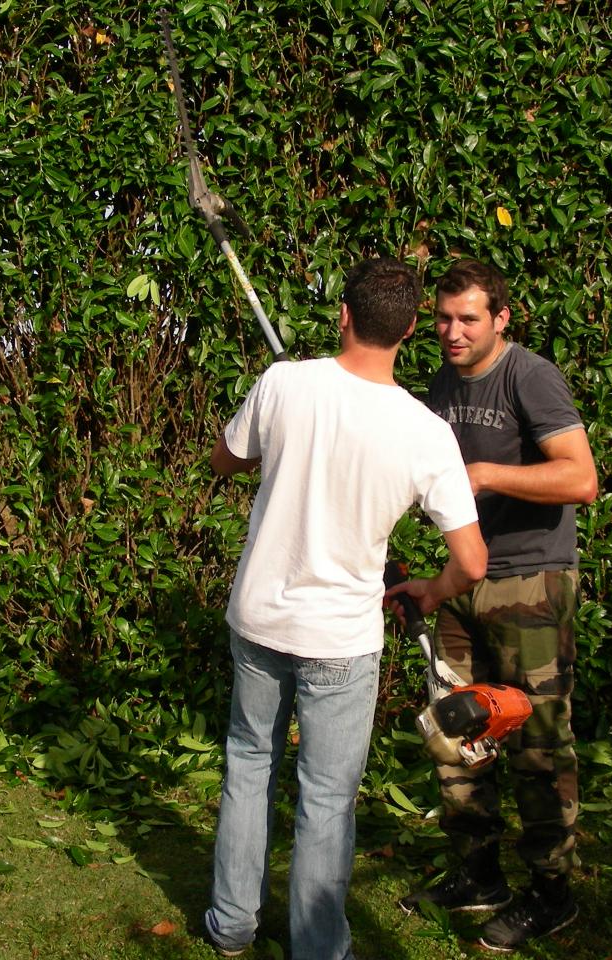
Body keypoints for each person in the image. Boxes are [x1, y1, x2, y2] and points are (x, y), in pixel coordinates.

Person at [202, 257, 488, 960]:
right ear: (413, 329)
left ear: (344, 315)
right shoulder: (425, 432)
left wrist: (269, 443)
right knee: (326, 798)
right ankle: (318, 948)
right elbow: (473, 561)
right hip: (340, 639)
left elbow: (223, 459)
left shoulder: (283, 383)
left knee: (248, 762)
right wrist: (432, 591)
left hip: (261, 620)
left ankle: (232, 926)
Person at [396, 258, 598, 953]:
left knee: (537, 742)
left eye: (468, 319)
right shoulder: (443, 381)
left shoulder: (529, 376)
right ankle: (477, 872)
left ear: (500, 319)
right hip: (461, 580)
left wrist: (482, 474)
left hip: (530, 583)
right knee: (455, 731)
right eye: (444, 318)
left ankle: (551, 892)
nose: (451, 332)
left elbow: (581, 477)